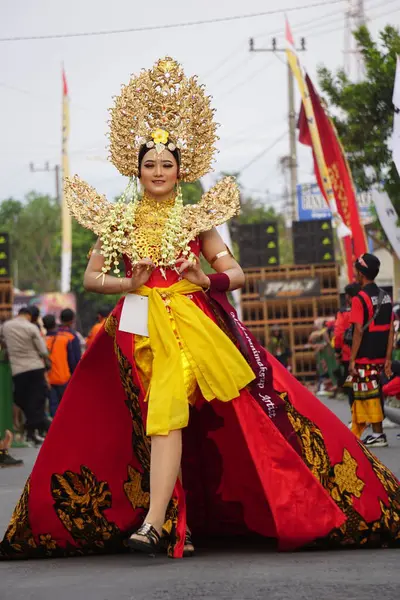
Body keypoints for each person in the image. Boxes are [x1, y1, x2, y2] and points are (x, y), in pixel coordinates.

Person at [2, 58, 400, 561]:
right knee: (146, 420)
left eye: (167, 165)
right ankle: (175, 520)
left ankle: (156, 523)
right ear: (137, 168)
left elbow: (236, 275)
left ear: (181, 170)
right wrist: (131, 280)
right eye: (150, 165)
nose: (159, 172)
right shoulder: (119, 219)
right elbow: (91, 278)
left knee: (172, 413)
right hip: (135, 327)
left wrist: (202, 278)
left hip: (193, 326)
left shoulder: (197, 219)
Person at [346, 254, 394, 447]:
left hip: (365, 354)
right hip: (381, 353)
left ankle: (378, 433)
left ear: (360, 273)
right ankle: (367, 432)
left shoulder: (360, 298)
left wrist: (352, 359)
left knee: (368, 393)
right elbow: (391, 330)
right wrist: (388, 358)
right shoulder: (386, 297)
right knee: (373, 390)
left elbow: (358, 331)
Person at [1, 307, 50, 446]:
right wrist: (47, 363)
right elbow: (43, 350)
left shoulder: (6, 326)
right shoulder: (31, 327)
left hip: (18, 370)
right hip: (34, 368)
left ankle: (30, 433)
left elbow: (2, 341)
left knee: (22, 400)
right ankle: (44, 426)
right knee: (37, 400)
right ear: (29, 315)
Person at [42, 314, 75, 416]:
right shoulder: (64, 339)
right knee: (66, 405)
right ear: (55, 324)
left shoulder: (42, 341)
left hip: (49, 379)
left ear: (44, 326)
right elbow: (72, 361)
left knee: (53, 405)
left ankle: (54, 428)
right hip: (64, 377)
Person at [334, 283, 361, 406]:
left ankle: (355, 418)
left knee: (351, 385)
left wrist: (338, 351)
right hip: (363, 352)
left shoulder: (343, 313)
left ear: (348, 296)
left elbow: (338, 333)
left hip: (347, 354)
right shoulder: (364, 308)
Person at [309, 318, 338, 395]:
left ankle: (332, 386)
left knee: (330, 369)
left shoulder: (325, 332)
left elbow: (328, 342)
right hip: (321, 355)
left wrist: (324, 344)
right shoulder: (318, 333)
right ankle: (325, 387)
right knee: (322, 370)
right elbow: (311, 341)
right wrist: (317, 346)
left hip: (328, 354)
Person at [58, 308, 81, 375]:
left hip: (56, 372)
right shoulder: (73, 336)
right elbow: (77, 356)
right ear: (72, 320)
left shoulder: (54, 334)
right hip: (68, 373)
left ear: (60, 319)